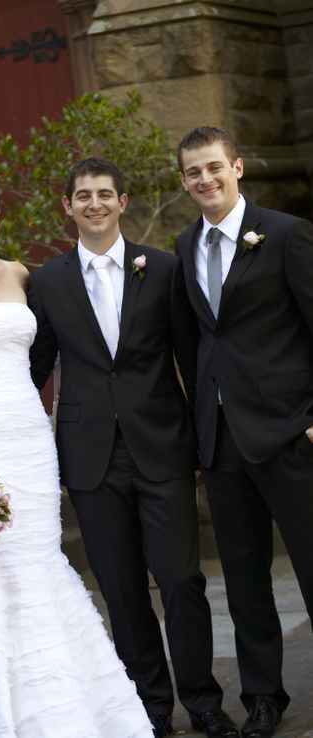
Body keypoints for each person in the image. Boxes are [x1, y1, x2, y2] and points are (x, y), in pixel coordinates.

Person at [0, 159, 237, 738]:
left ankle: (202, 701)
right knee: (121, 588)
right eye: (83, 196)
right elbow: (30, 362)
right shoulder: (46, 281)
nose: (95, 204)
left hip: (161, 449)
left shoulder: (162, 269)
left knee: (181, 581)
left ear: (123, 202)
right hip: (89, 456)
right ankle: (149, 706)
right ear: (68, 206)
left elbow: (190, 359)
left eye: (105, 194)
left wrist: (203, 444)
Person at [0, 168, 154, 738]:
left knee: (40, 559)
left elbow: (52, 350)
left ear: (1, 214)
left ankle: (70, 704)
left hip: (28, 435)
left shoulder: (24, 276)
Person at [174, 126, 313, 738]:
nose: (205, 180)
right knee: (245, 578)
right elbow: (194, 343)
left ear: (236, 166)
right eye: (192, 173)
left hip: (288, 432)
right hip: (222, 440)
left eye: (213, 167)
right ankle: (263, 696)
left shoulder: (284, 234)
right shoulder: (182, 247)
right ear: (184, 182)